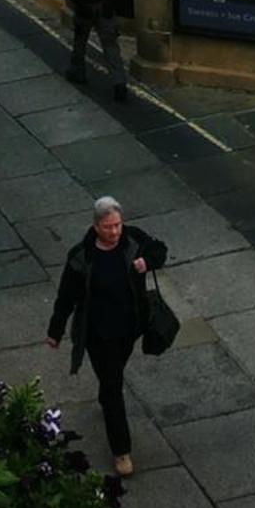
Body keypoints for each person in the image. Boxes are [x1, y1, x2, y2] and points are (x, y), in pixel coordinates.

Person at [46, 197, 167, 477]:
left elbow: (160, 250)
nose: (114, 232)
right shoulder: (82, 256)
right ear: (95, 226)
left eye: (117, 225)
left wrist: (146, 262)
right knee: (112, 386)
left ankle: (107, 399)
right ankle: (121, 450)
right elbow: (66, 296)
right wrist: (56, 330)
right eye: (107, 227)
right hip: (97, 334)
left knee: (111, 377)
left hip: (128, 328)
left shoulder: (133, 239)